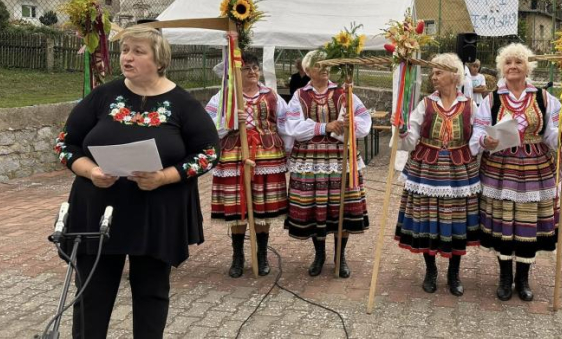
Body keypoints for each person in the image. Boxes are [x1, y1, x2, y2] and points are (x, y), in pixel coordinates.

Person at [54, 25, 220, 338]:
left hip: (155, 213)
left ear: (160, 60)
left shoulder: (183, 104)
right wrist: (91, 171)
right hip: (99, 211)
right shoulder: (103, 95)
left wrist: (164, 177)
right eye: (124, 51)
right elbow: (65, 144)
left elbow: (209, 153)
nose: (127, 58)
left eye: (137, 51)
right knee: (91, 295)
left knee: (151, 293)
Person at [470, 43, 561, 301]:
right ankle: (504, 277)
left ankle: (523, 279)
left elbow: (552, 133)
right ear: (502, 67)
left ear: (527, 67)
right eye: (508, 63)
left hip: (536, 168)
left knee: (527, 223)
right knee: (503, 222)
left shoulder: (544, 98)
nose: (512, 67)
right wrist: (484, 142)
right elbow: (479, 130)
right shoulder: (492, 99)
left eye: (518, 62)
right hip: (500, 168)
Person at [394, 53, 481, 296]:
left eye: (438, 72)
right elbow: (410, 139)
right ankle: (430, 270)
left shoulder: (470, 105)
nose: (434, 77)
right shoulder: (425, 104)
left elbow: (477, 139)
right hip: (427, 169)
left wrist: (485, 143)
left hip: (458, 171)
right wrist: (401, 130)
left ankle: (454, 273)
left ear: (454, 75)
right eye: (433, 73)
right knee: (427, 218)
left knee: (456, 221)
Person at [284, 49, 372, 278]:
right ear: (307, 70)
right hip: (310, 160)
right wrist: (325, 127)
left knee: (341, 206)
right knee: (316, 206)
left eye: (326, 65)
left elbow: (364, 121)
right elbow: (293, 127)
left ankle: (339, 256)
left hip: (340, 156)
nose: (323, 69)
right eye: (318, 65)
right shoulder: (299, 96)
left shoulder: (345, 92)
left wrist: (349, 124)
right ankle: (320, 254)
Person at [205, 52, 293, 278]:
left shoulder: (272, 96)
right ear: (236, 72)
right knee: (238, 206)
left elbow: (285, 124)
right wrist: (231, 121)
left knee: (263, 207)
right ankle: (237, 256)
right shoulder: (224, 96)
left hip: (266, 155)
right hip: (234, 155)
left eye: (255, 68)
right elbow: (207, 124)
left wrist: (288, 151)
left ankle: (261, 254)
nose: (253, 72)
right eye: (247, 69)